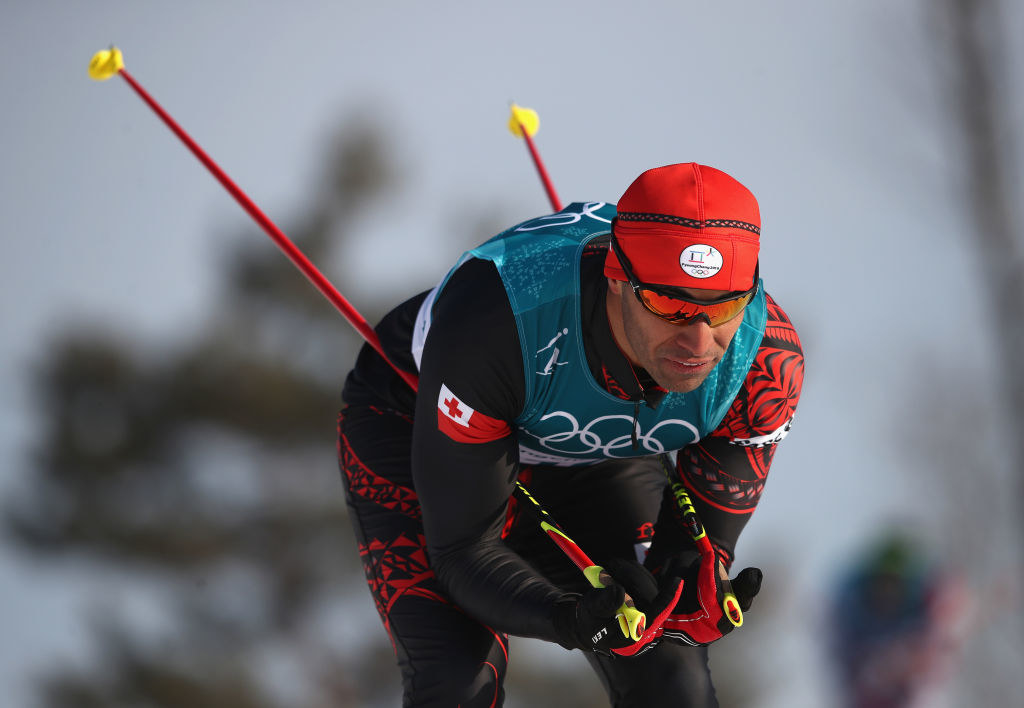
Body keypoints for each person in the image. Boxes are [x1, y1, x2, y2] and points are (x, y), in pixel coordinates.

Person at [338, 163, 804, 707]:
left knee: (674, 684)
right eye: (670, 305)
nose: (698, 340)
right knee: (460, 683)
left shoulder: (764, 363)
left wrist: (693, 576)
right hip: (421, 415)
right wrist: (568, 618)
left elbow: (696, 551)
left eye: (722, 306)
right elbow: (464, 550)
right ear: (617, 278)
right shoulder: (495, 324)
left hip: (593, 453)